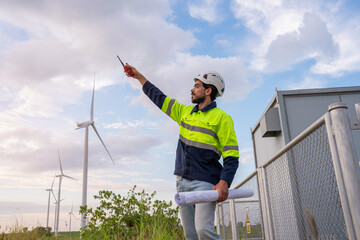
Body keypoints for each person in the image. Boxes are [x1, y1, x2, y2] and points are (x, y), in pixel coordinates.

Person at [125, 64, 239, 240]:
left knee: (204, 230)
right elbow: (159, 97)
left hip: (206, 183)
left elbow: (231, 156)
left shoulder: (222, 118)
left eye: (197, 86)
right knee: (191, 235)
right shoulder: (184, 112)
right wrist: (139, 76)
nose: (192, 90)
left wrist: (224, 181)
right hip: (182, 182)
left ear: (208, 90)